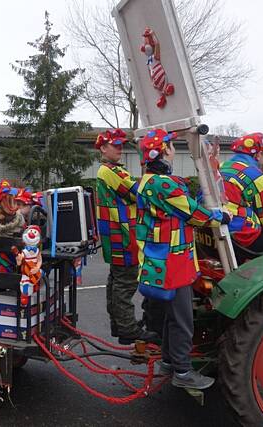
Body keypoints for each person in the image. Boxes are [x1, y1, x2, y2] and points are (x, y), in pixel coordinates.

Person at [136, 129, 230, 390]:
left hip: (162, 259)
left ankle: (169, 361)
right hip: (172, 261)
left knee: (172, 316)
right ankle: (183, 371)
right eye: (171, 146)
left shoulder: (148, 180)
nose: (174, 149)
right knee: (182, 318)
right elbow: (192, 213)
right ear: (165, 150)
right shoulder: (162, 184)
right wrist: (221, 217)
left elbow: (181, 206)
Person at [95, 128, 158, 345]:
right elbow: (138, 193)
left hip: (115, 235)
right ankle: (128, 329)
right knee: (125, 284)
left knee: (116, 283)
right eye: (116, 145)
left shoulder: (110, 170)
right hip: (122, 234)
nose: (120, 149)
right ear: (103, 148)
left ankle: (121, 326)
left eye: (121, 145)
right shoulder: (110, 171)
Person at [219, 132, 263, 252]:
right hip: (240, 237)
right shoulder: (254, 175)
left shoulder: (222, 166)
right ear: (259, 155)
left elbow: (233, 197)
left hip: (219, 230)